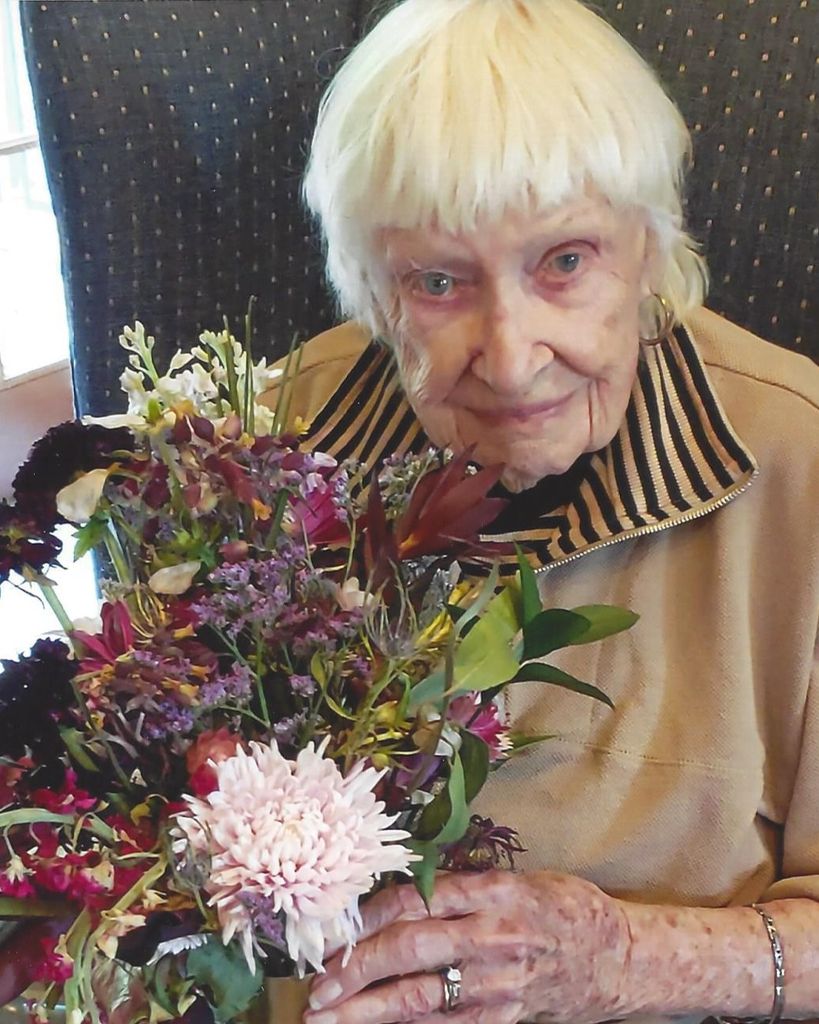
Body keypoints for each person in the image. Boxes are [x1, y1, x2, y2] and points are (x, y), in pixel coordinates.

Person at [274, 1, 819, 1021]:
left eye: (564, 262)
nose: (513, 357)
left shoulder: (805, 467)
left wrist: (628, 960)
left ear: (650, 251)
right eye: (439, 282)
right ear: (370, 290)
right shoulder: (267, 448)